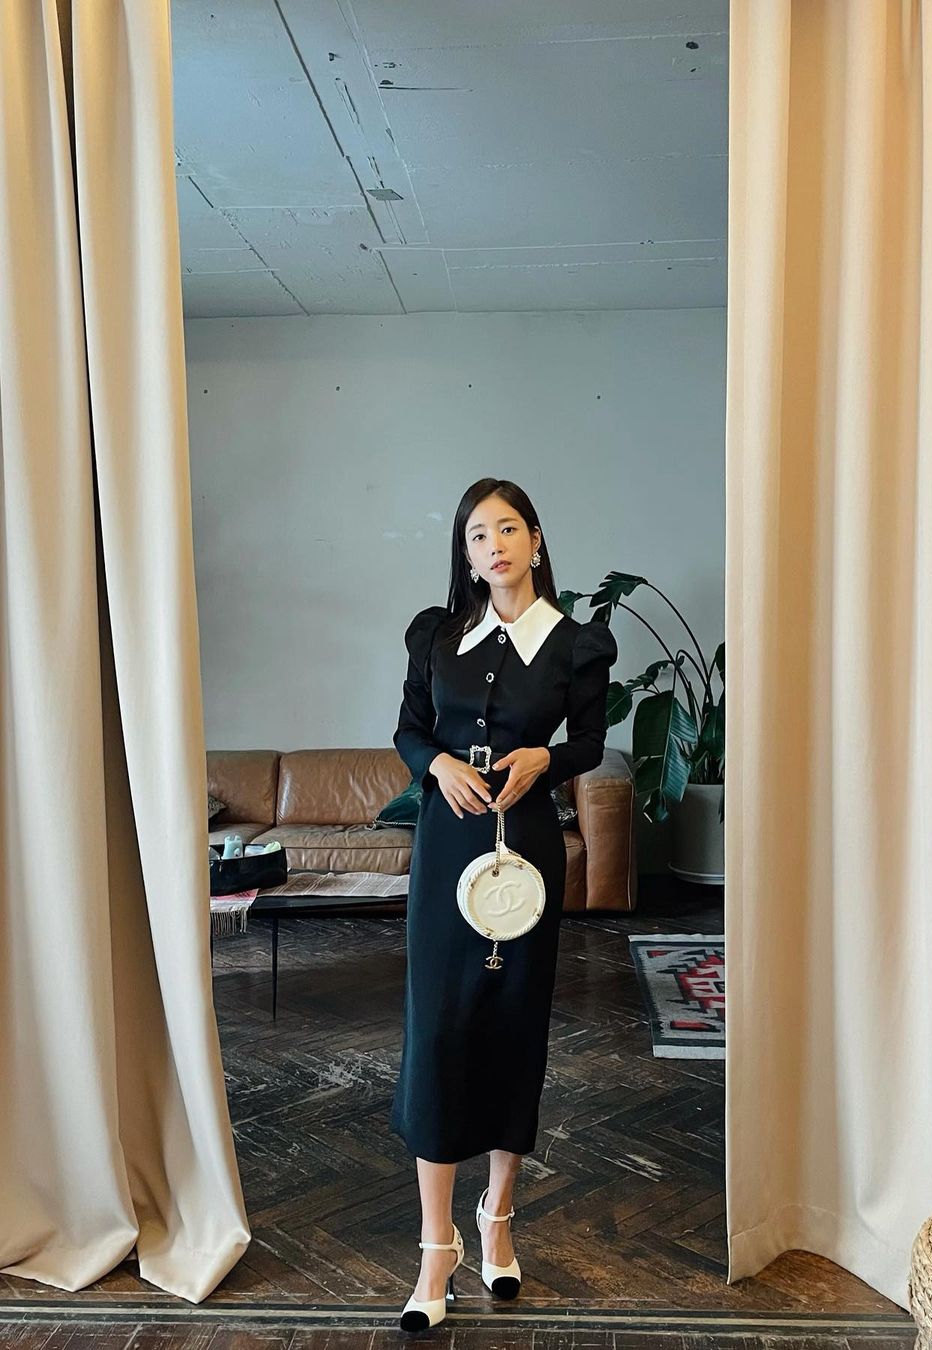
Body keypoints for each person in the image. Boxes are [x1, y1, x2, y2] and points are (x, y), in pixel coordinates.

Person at [391, 477, 618, 1332]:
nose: (494, 546)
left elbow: (588, 741)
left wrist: (545, 762)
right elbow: (409, 729)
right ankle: (435, 1246)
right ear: (466, 553)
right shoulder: (437, 634)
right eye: (478, 535)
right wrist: (435, 764)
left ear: (535, 539)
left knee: (512, 1025)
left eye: (508, 529)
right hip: (447, 846)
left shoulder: (576, 644)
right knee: (438, 1030)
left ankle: (498, 1218)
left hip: (523, 848)